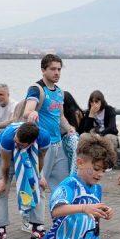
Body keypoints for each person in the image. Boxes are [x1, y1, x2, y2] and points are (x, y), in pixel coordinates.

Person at [21, 54, 76, 191]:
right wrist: (32, 112)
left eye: (59, 69)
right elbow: (27, 111)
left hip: (58, 144)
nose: (57, 73)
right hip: (43, 145)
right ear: (43, 70)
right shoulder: (36, 89)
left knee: (62, 186)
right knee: (39, 186)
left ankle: (60, 212)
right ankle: (31, 212)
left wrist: (69, 128)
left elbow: (61, 116)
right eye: (52, 69)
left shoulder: (59, 92)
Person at [0, 122, 50, 239]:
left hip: (30, 154)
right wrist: (4, 181)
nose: (16, 144)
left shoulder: (44, 138)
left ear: (31, 142)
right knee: (0, 191)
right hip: (2, 155)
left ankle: (37, 228)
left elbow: (41, 158)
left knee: (39, 187)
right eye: (16, 141)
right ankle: (0, 231)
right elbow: (6, 165)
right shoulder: (8, 138)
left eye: (20, 144)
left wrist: (39, 176)